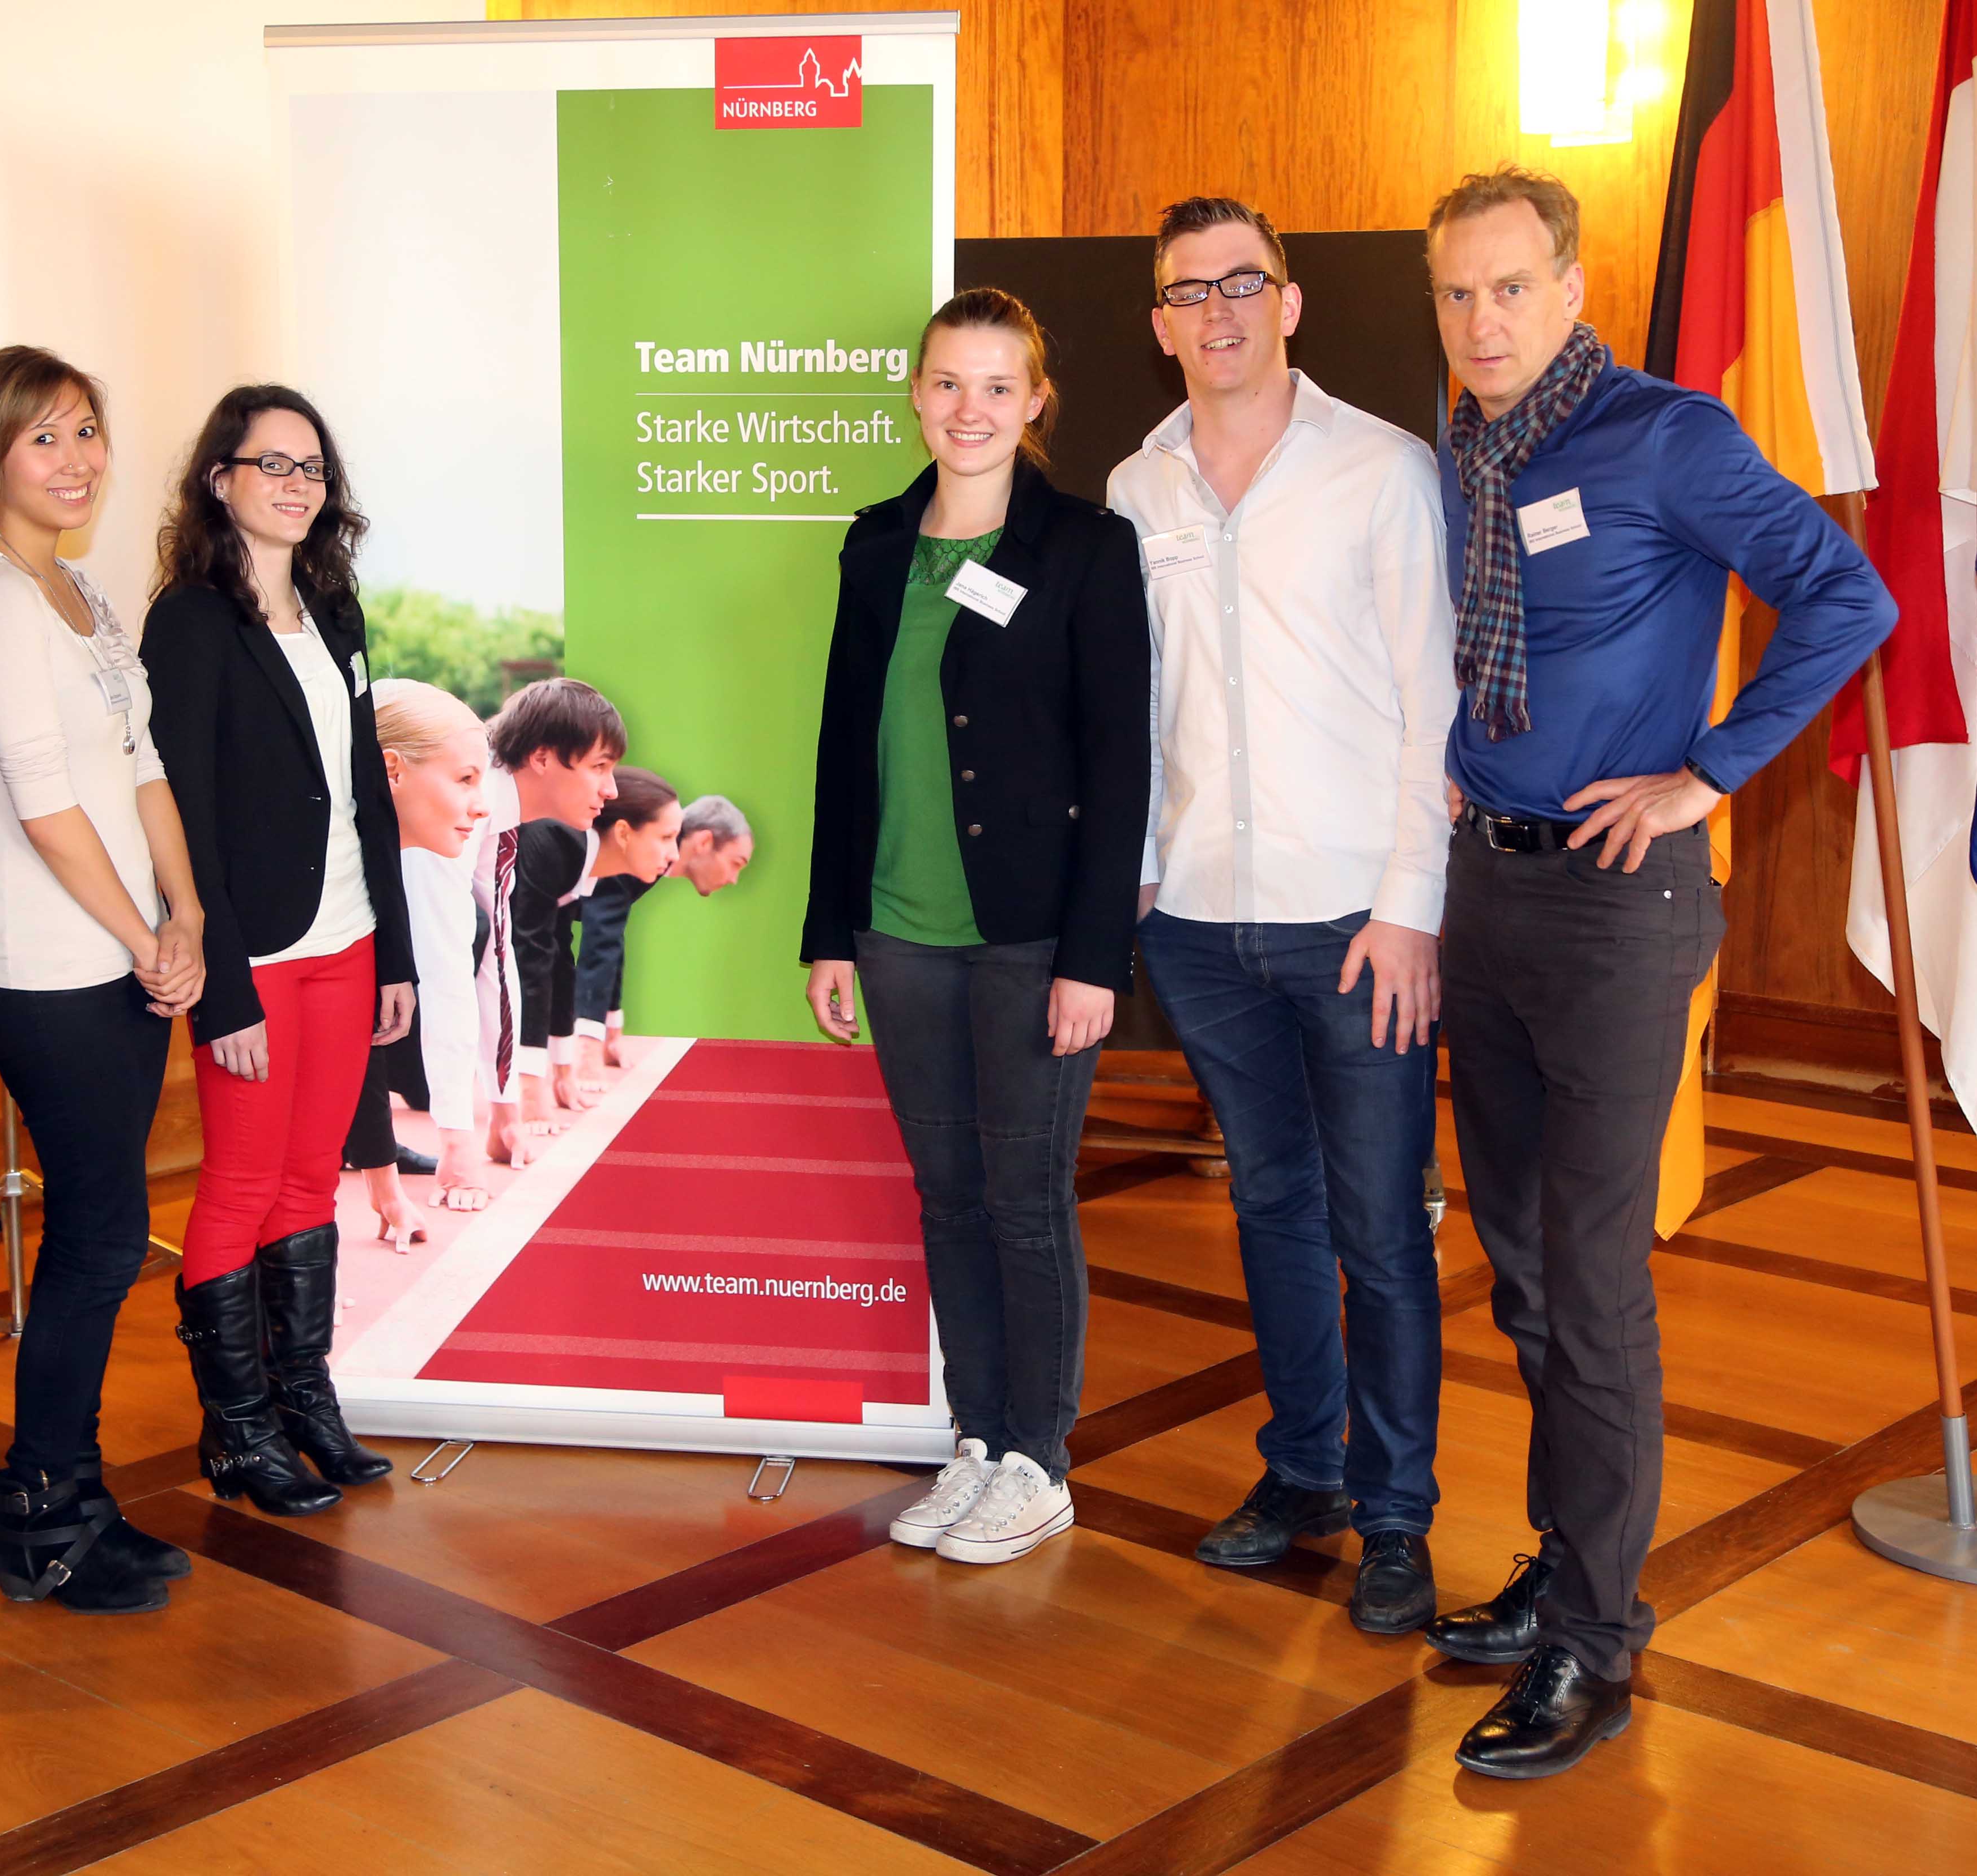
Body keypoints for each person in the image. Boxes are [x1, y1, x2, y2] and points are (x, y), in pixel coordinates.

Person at [1422, 167, 1894, 1776]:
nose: (1480, 320)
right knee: (1521, 1269)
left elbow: (1845, 595)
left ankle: (1595, 1646)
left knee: (1593, 1285)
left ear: (1569, 288)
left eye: (1507, 287)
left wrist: (1708, 770)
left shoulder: (1663, 437)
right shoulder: (1461, 447)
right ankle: (1566, 1560)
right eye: (1454, 293)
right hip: (1484, 893)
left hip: (1617, 907)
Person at [1107, 197, 1457, 1635]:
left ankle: (1396, 1514)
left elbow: (1433, 706)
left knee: (1380, 1231)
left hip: (1357, 923)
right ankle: (1304, 1470)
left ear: (1290, 303)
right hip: (1197, 920)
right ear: (1160, 323)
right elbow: (1134, 705)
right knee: (1268, 1206)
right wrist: (1134, 873)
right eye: (1190, 291)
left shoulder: (1383, 469)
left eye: (1243, 283)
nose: (1219, 310)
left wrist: (1413, 909)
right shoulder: (1136, 490)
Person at [802, 287, 1150, 1567]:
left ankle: (1036, 1460)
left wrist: (1091, 957)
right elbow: (842, 745)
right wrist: (828, 928)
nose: (969, 409)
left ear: (1034, 400)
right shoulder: (875, 545)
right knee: (947, 1198)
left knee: (1023, 1200)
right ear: (915, 394)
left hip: (1027, 938)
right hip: (897, 932)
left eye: (997, 386)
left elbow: (1119, 761)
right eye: (948, 382)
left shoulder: (1084, 547)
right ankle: (977, 1434)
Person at [0, 347, 204, 1613]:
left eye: (87, 429)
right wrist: (144, 936)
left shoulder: (80, 589)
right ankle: (39, 1513)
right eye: (42, 436)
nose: (76, 457)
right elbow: (43, 807)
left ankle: (72, 1499)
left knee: (101, 1233)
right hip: (46, 965)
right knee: (96, 1238)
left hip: (123, 952)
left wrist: (184, 913)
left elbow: (141, 766)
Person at [140, 384, 416, 1516]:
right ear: (221, 480)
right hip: (253, 956)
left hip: (348, 938)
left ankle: (304, 1399)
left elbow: (366, 794)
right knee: (242, 1183)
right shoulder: (189, 621)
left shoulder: (334, 606)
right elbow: (183, 815)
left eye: (312, 468)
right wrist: (222, 990)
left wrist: (396, 954)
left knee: (312, 1178)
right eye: (273, 464)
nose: (296, 485)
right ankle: (237, 1429)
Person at [344, 677, 498, 1243]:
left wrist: (386, 1186)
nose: (482, 805)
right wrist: (457, 1139)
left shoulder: (394, 861)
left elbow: (362, 1042)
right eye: (465, 780)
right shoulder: (337, 879)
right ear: (392, 770)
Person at [468, 677, 626, 1163]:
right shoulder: (472, 803)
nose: (612, 789)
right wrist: (457, 1144)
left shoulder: (502, 819)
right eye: (599, 767)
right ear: (541, 758)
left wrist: (505, 1114)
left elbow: (502, 963)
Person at [519, 767, 681, 1111]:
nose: (675, 856)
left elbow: (560, 962)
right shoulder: (553, 844)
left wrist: (563, 1071)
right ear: (623, 833)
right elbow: (530, 962)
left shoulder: (576, 860)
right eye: (666, 838)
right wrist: (531, 1090)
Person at [573, 792, 751, 1095]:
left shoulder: (649, 860)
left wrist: (612, 1033)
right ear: (704, 842)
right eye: (736, 863)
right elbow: (600, 942)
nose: (734, 879)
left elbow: (610, 935)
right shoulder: (642, 850)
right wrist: (588, 1051)